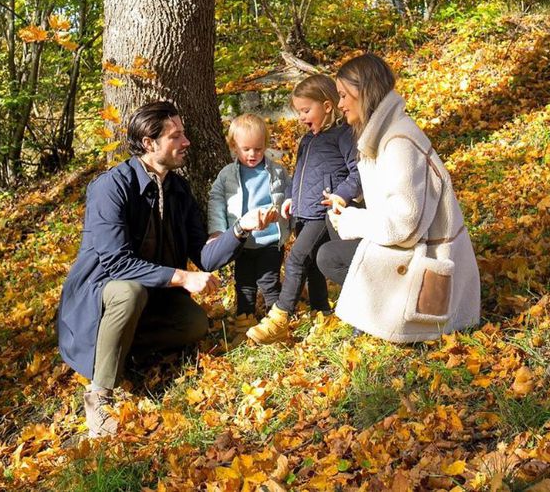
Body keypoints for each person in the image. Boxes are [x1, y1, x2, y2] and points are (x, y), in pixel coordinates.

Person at [56, 101, 276, 438]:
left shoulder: (178, 189)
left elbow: (203, 256)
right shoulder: (111, 188)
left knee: (194, 324)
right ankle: (100, 397)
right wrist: (182, 277)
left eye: (184, 133)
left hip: (152, 295)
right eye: (176, 136)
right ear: (149, 143)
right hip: (100, 296)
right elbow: (116, 263)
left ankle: (120, 350)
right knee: (129, 291)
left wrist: (240, 229)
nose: (186, 141)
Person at [317, 53, 480, 341]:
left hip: (426, 260)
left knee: (328, 256)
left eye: (343, 95)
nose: (340, 104)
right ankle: (370, 310)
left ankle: (378, 317)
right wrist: (348, 211)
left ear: (363, 92)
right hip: (412, 243)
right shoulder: (383, 134)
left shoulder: (399, 142)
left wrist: (355, 220)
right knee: (335, 224)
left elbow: (404, 227)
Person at [245, 74, 361, 345]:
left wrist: (340, 196)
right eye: (299, 112)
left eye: (306, 110)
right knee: (311, 265)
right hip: (302, 212)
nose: (301, 117)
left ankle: (279, 318)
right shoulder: (308, 140)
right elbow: (298, 175)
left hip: (325, 213)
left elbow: (358, 172)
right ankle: (321, 311)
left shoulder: (343, 135)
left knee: (297, 258)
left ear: (328, 106)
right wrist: (289, 197)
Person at [207, 114, 290, 329]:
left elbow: (291, 197)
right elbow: (216, 200)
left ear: (265, 145)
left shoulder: (277, 171)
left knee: (269, 281)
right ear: (234, 146)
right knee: (244, 283)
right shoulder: (227, 175)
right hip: (242, 242)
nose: (253, 154)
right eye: (246, 149)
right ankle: (245, 319)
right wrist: (217, 231)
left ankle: (276, 321)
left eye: (258, 148)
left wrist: (292, 223)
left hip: (271, 240)